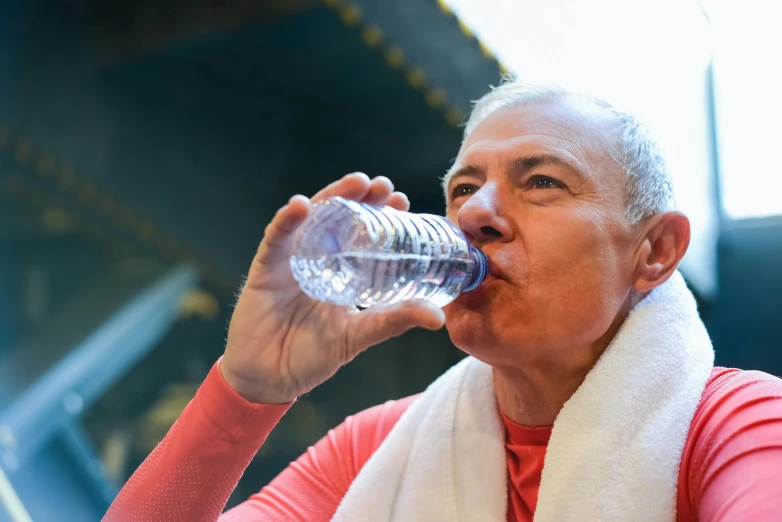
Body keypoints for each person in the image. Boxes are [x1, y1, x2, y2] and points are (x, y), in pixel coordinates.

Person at [103, 82, 782, 522]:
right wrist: (245, 390)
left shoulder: (736, 426)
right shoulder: (378, 446)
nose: (476, 214)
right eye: (463, 188)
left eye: (541, 181)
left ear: (655, 251)